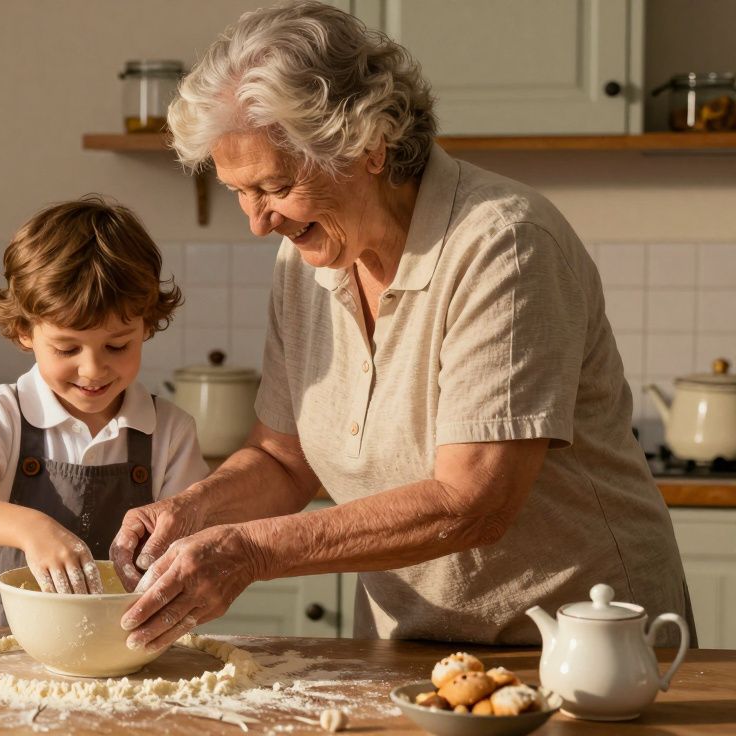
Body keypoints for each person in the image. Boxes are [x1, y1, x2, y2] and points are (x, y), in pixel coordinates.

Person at [111, 1, 693, 652]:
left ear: (367, 145)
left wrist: (249, 550)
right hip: (408, 651)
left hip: (580, 654)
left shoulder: (503, 243)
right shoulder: (305, 260)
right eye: (238, 191)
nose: (257, 220)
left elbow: (474, 500)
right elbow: (284, 457)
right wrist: (187, 513)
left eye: (274, 186)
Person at [0, 196, 209, 626]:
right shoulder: (3, 414)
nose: (93, 369)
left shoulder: (169, 431)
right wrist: (30, 528)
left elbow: (195, 542)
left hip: (127, 634)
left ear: (147, 325)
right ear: (24, 332)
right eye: (67, 348)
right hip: (6, 636)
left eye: (117, 345)